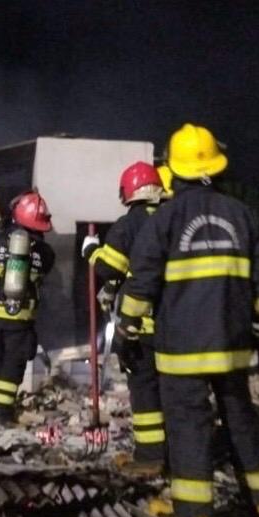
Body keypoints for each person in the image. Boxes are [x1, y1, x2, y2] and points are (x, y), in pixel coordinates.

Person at [118, 124, 259, 517]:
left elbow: (142, 281)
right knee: (240, 416)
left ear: (174, 168)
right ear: (215, 166)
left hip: (182, 350)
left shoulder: (165, 219)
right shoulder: (242, 215)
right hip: (232, 345)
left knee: (188, 425)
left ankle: (192, 514)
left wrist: (126, 329)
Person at [82, 161, 173, 476]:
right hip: (179, 326)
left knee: (145, 391)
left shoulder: (129, 224)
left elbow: (110, 267)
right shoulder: (174, 218)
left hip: (141, 327)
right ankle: (178, 455)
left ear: (128, 192)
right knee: (174, 393)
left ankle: (150, 457)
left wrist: (91, 251)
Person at [0, 191, 55, 423]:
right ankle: (0, 413)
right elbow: (44, 268)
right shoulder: (46, 253)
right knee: (13, 364)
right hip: (20, 318)